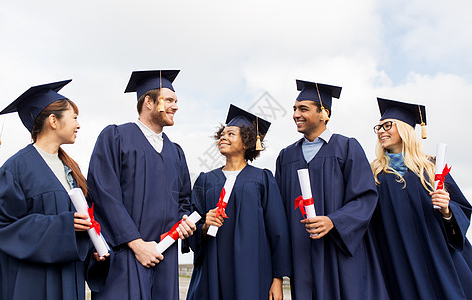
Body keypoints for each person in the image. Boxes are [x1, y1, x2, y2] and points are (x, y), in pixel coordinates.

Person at [0, 80, 110, 300]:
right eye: (74, 117)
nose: (78, 125)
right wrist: (62, 226)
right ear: (54, 121)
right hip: (33, 281)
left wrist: (93, 252)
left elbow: (82, 224)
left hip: (69, 276)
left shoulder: (72, 169)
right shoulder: (15, 170)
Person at [87, 70, 196, 300]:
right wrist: (137, 244)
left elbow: (183, 199)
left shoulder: (176, 152)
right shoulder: (116, 138)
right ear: (148, 101)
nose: (175, 106)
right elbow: (104, 195)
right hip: (125, 256)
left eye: (176, 102)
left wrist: (184, 220)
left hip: (164, 258)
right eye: (169, 100)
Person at [275, 80, 388, 300]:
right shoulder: (286, 156)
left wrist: (334, 221)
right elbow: (278, 210)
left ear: (324, 113)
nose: (296, 114)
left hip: (340, 250)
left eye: (303, 109)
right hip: (302, 253)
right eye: (294, 109)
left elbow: (365, 197)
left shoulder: (346, 147)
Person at [370, 97, 472, 299]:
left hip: (438, 254)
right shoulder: (374, 174)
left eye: (387, 125)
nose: (381, 131)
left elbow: (461, 212)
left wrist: (447, 209)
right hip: (398, 258)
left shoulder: (432, 168)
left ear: (406, 129)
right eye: (378, 127)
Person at [186, 104, 291, 300]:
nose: (223, 137)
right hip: (212, 270)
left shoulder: (263, 179)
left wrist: (277, 279)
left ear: (247, 142)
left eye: (231, 134)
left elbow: (278, 231)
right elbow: (191, 227)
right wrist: (203, 226)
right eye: (222, 134)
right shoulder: (205, 180)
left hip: (253, 273)